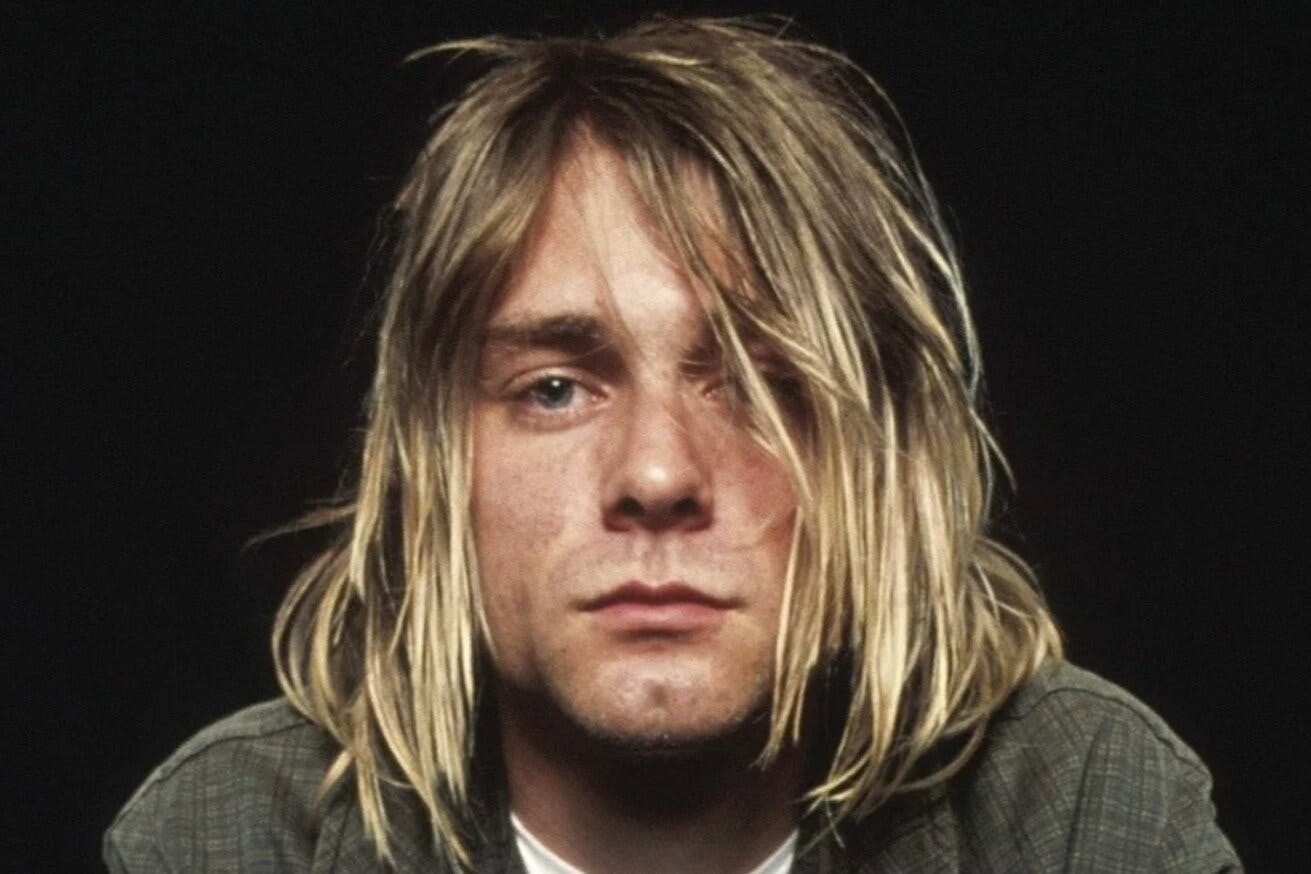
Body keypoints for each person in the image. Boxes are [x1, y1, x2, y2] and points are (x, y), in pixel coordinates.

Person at [104, 18, 1240, 873]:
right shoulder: (231, 838)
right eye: (555, 389)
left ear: (883, 455)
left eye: (759, 386)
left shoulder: (1081, 810)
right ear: (430, 463)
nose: (657, 475)